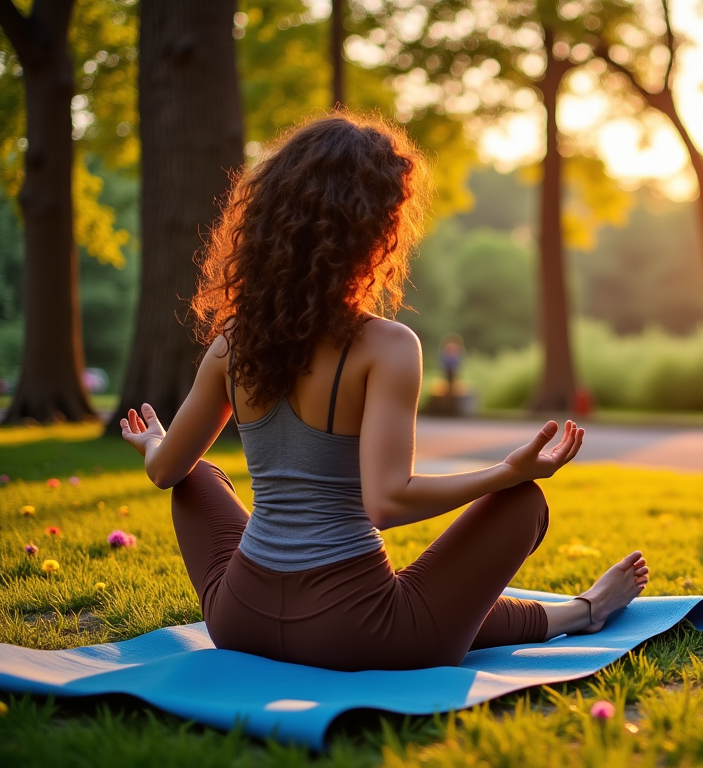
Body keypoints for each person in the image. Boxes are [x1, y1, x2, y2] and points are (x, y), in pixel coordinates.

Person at [119, 113, 650, 672]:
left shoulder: (231, 342)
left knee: (192, 474)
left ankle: (577, 612)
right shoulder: (387, 346)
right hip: (358, 635)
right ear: (376, 230)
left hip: (238, 620)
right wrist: (510, 472)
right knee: (519, 505)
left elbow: (163, 471)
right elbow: (387, 502)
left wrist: (156, 441)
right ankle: (583, 612)